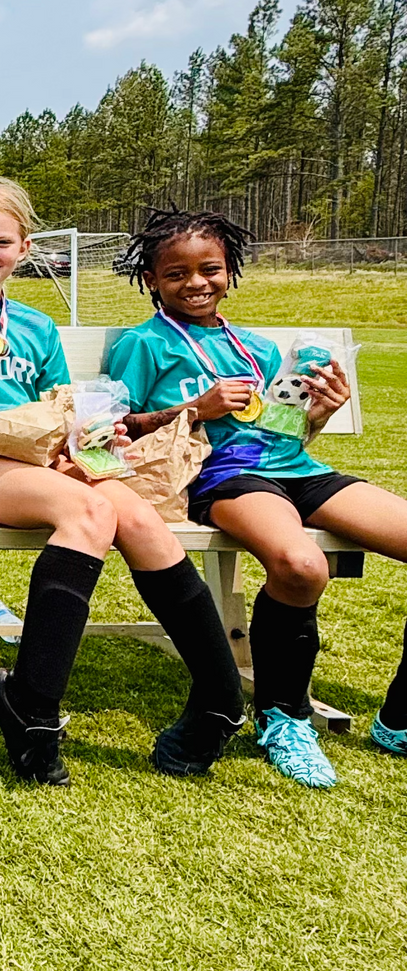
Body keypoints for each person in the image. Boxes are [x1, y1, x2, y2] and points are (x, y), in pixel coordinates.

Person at [0, 177, 242, 786]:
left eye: (2, 243)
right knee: (90, 515)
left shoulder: (37, 325)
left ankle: (222, 702)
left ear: (24, 247)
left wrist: (96, 439)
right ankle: (34, 710)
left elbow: (60, 409)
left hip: (42, 456)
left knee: (141, 517)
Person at [110, 207, 407, 787]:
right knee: (300, 564)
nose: (196, 282)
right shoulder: (143, 344)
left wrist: (319, 412)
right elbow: (116, 427)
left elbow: (284, 430)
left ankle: (399, 719)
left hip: (295, 467)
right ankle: (284, 716)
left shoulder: (258, 348)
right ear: (152, 280)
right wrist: (196, 408)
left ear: (229, 271)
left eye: (210, 269)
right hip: (223, 477)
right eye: (176, 274)